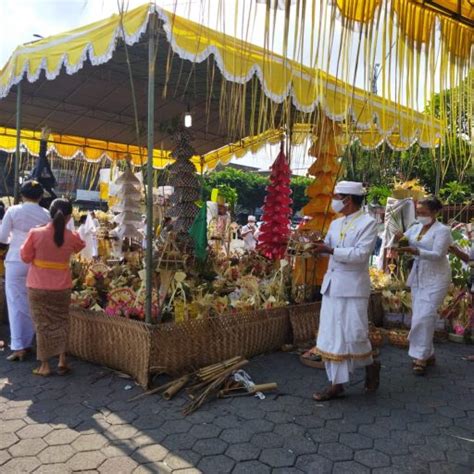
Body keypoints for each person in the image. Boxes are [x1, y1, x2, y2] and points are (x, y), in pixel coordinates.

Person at [311, 181, 380, 401]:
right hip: (332, 285)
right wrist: (312, 247)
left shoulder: (369, 223)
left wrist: (330, 249)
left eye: (336, 196)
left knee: (354, 334)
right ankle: (336, 385)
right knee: (332, 335)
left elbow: (360, 255)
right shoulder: (335, 223)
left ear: (347, 200)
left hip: (353, 288)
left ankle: (370, 364)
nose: (334, 201)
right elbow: (328, 248)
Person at [20, 199, 85, 376]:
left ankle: (45, 366)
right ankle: (62, 360)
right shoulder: (70, 236)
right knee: (62, 322)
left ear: (50, 213)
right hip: (61, 286)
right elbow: (80, 246)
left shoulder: (36, 233)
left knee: (43, 325)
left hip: (38, 285)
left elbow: (25, 257)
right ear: (69, 217)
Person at [396, 197, 452, 375]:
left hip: (437, 278)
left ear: (435, 212)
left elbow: (437, 254)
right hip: (419, 276)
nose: (420, 216)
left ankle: (420, 357)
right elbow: (405, 243)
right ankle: (429, 353)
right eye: (418, 213)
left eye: (424, 213)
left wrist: (415, 250)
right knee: (419, 316)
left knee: (425, 316)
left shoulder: (443, 231)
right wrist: (401, 240)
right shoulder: (415, 228)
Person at [0, 181, 51, 361]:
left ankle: (19, 346)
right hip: (37, 261)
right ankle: (28, 341)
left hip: (16, 260)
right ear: (40, 197)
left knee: (15, 303)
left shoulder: (13, 211)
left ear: (22, 195)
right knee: (33, 301)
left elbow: (2, 237)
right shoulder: (46, 214)